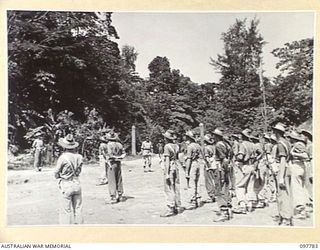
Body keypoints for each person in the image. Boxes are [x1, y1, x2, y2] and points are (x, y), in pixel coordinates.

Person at [54, 134, 84, 224]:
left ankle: (65, 231)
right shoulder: (79, 157)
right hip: (77, 183)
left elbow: (56, 172)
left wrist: (59, 177)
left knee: (65, 211)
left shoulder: (63, 158)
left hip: (66, 184)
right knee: (78, 209)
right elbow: (79, 171)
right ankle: (80, 229)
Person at [272, 123, 293, 226]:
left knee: (282, 195)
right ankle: (286, 216)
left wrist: (280, 178)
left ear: (277, 132)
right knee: (287, 194)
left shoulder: (280, 143)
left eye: (274, 131)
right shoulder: (287, 142)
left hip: (282, 170)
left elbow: (283, 160)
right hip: (288, 169)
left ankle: (286, 218)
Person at [160, 130, 183, 217]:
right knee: (176, 187)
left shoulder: (166, 146)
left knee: (168, 188)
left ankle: (170, 207)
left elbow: (167, 161)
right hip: (176, 167)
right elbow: (178, 158)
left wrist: (166, 173)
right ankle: (177, 206)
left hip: (170, 167)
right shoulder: (176, 146)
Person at [287, 131, 310, 219]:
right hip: (299, 166)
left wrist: (293, 154)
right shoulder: (298, 144)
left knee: (297, 188)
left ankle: (301, 210)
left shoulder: (298, 144)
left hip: (297, 166)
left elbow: (305, 155)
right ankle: (303, 210)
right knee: (301, 187)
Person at [212, 128, 233, 222]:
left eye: (214, 135)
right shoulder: (227, 144)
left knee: (220, 190)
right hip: (226, 168)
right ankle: (228, 209)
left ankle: (224, 212)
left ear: (217, 136)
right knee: (226, 189)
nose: (213, 137)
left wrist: (223, 171)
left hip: (221, 169)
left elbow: (224, 159)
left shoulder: (218, 145)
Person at [233, 128, 255, 214]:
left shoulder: (243, 145)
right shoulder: (252, 144)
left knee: (240, 185)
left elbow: (241, 157)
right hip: (252, 165)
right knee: (249, 186)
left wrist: (237, 157)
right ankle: (249, 204)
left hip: (244, 165)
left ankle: (242, 205)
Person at [105, 132, 126, 204]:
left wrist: (114, 157)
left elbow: (109, 154)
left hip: (111, 162)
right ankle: (120, 195)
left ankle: (113, 196)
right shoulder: (119, 144)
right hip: (118, 162)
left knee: (112, 180)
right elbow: (124, 153)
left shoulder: (109, 145)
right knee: (119, 178)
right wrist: (120, 157)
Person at [184, 130, 202, 210]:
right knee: (197, 182)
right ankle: (197, 198)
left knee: (191, 183)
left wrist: (186, 171)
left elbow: (189, 159)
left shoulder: (190, 146)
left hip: (193, 164)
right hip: (198, 163)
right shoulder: (198, 145)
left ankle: (192, 201)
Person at [300, 129, 313, 210]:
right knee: (307, 184)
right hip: (306, 164)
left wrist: (312, 171)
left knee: (310, 183)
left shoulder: (311, 146)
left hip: (309, 165)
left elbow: (312, 158)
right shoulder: (307, 146)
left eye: (303, 135)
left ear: (306, 137)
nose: (301, 137)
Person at [203, 134, 216, 203]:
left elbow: (207, 158)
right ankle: (215, 193)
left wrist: (208, 166)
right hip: (215, 164)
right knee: (215, 180)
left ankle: (211, 195)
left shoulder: (206, 148)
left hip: (209, 165)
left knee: (209, 181)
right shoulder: (214, 147)